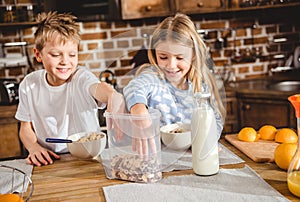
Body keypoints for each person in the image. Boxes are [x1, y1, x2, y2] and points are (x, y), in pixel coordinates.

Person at [15, 11, 122, 166]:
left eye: (72, 55)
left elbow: (98, 88)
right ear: (38, 55)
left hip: (89, 158)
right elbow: (25, 128)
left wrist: (112, 95)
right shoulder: (29, 84)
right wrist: (33, 147)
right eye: (56, 54)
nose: (65, 61)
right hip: (50, 160)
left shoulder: (81, 78)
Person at [123, 13, 226, 153]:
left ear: (193, 54)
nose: (171, 65)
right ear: (155, 54)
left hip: (193, 157)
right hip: (158, 156)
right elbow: (135, 87)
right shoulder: (153, 77)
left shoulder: (200, 86)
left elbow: (216, 120)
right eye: (163, 57)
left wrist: (208, 140)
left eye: (179, 57)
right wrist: (139, 110)